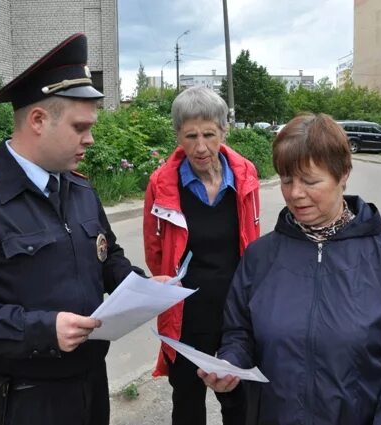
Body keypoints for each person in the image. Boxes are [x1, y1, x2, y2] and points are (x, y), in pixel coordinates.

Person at [0, 33, 160, 425]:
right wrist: (40, 330)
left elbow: (106, 255)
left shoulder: (77, 187)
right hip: (24, 399)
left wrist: (144, 286)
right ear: (38, 120)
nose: (90, 139)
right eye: (80, 127)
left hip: (91, 386)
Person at [200, 113, 381, 425]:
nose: (295, 193)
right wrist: (230, 363)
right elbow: (239, 332)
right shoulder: (261, 256)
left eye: (310, 181)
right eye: (286, 180)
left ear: (343, 174)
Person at [143, 86, 261, 425]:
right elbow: (156, 251)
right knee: (187, 400)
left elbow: (250, 239)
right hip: (186, 314)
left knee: (237, 399)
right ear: (177, 134)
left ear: (224, 131)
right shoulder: (161, 184)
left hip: (235, 311)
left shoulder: (245, 176)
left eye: (209, 134)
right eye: (190, 135)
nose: (200, 147)